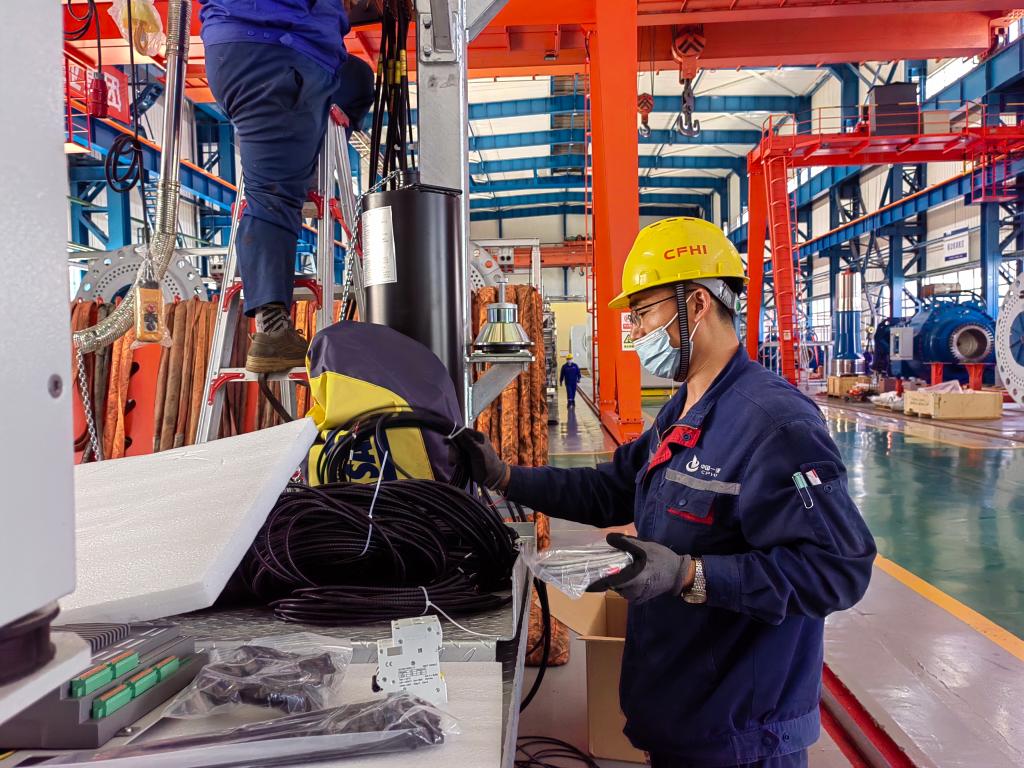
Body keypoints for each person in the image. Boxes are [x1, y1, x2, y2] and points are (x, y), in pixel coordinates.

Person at [452, 217, 876, 767]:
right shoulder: (685, 408)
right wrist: (505, 477)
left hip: (740, 734)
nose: (634, 333)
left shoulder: (776, 424)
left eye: (643, 313)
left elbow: (838, 570)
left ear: (696, 303)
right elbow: (611, 488)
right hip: (682, 709)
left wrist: (689, 575)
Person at [200, 0, 367, 373]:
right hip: (275, 54)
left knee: (358, 80)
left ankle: (301, 163)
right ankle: (271, 327)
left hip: (268, 49)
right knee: (272, 194)